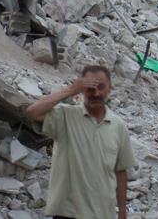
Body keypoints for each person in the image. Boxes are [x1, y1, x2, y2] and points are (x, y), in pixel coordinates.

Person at [25, 65, 137, 219]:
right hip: (68, 213)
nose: (96, 93)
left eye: (101, 87)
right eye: (90, 88)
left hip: (103, 213)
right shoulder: (65, 116)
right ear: (82, 90)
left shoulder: (118, 126)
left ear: (109, 89)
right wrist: (71, 89)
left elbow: (121, 171)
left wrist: (122, 212)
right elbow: (32, 112)